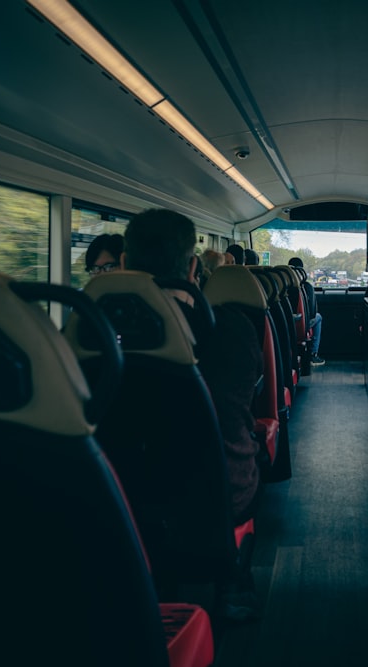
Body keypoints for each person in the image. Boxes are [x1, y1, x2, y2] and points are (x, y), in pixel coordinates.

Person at [121, 210, 264, 528]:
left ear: (121, 265)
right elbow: (250, 391)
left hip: (119, 501)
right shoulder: (231, 329)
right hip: (219, 495)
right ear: (193, 269)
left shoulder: (90, 335)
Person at [288, 256, 324, 366]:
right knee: (318, 317)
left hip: (282, 324)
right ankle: (313, 354)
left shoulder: (281, 285)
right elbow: (312, 312)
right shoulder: (307, 287)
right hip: (301, 324)